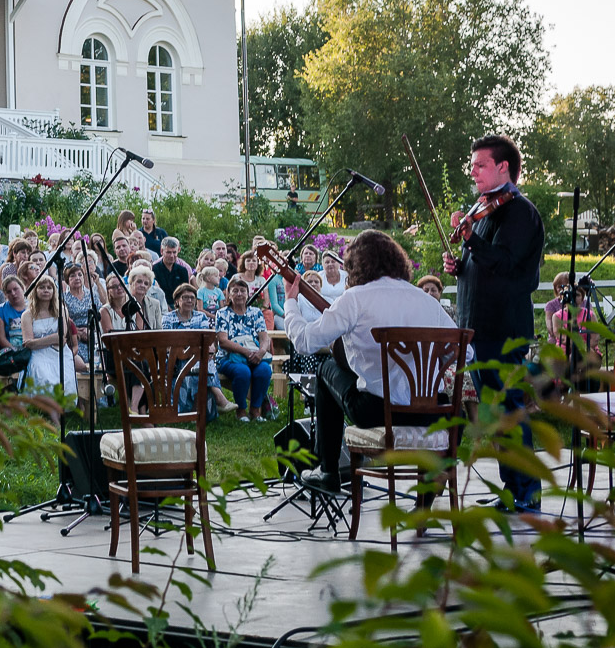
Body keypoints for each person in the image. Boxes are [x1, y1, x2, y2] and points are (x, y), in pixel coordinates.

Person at [288, 229, 461, 493]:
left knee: (324, 368)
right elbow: (465, 353)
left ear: (355, 265)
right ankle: (426, 499)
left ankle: (328, 470)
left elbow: (304, 341)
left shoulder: (355, 299)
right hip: (433, 412)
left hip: (377, 411)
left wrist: (291, 302)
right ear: (397, 260)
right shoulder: (425, 300)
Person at [441, 134, 545, 512]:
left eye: (480, 165)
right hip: (479, 328)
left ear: (503, 167)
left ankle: (528, 493)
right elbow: (483, 265)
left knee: (510, 411)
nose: (473, 172)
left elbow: (506, 264)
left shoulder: (520, 212)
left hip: (503, 329)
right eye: (472, 166)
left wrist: (471, 239)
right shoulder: (483, 209)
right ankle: (511, 490)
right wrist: (459, 266)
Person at [163, 283, 237, 419]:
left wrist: (207, 348)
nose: (189, 300)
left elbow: (206, 339)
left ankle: (197, 410)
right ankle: (219, 398)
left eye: (192, 298)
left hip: (197, 356)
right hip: (175, 359)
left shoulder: (200, 317)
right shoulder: (168, 318)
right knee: (201, 361)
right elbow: (168, 342)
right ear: (177, 301)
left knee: (202, 361)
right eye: (185, 297)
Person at [214, 276, 272, 421]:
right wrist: (246, 352)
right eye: (235, 291)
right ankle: (241, 410)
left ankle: (255, 410)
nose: (239, 294)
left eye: (242, 290)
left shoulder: (256, 312)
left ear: (248, 294)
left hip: (254, 355)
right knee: (242, 372)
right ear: (229, 294)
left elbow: (264, 337)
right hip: (229, 357)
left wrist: (261, 352)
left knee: (264, 370)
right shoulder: (223, 313)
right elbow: (223, 341)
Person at [21, 274, 85, 397]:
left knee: (65, 377)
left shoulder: (62, 310)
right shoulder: (27, 315)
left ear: (54, 291)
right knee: (41, 374)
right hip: (38, 354)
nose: (46, 290)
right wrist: (53, 338)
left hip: (59, 352)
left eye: (49, 287)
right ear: (35, 290)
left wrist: (40, 341)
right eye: (42, 287)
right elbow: (28, 343)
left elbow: (62, 339)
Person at [153, 236, 191, 307]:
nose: (172, 256)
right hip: (160, 304)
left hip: (179, 305)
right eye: (168, 252)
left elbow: (185, 291)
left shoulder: (182, 270)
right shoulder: (154, 269)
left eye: (174, 252)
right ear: (161, 251)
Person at [123, 265, 163, 330]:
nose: (142, 285)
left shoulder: (155, 304)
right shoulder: (123, 302)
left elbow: (159, 330)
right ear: (131, 282)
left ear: (149, 287)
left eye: (146, 283)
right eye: (139, 281)